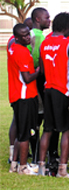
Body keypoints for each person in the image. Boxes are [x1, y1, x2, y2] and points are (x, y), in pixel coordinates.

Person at [37, 12, 69, 178]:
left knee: (47, 129)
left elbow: (43, 70)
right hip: (63, 90)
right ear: (67, 27)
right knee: (66, 130)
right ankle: (62, 170)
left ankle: (41, 167)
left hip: (48, 89)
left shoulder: (44, 44)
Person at [8, 24, 40, 175]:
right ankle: (23, 166)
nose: (28, 37)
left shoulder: (12, 47)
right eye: (24, 36)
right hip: (25, 96)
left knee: (20, 131)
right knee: (26, 133)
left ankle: (14, 164)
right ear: (17, 37)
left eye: (28, 34)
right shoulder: (22, 52)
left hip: (16, 95)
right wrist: (39, 70)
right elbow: (27, 78)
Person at [28, 7, 51, 164]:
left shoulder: (30, 34)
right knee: (38, 118)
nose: (49, 20)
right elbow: (38, 63)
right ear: (38, 19)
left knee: (34, 119)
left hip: (29, 82)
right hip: (37, 82)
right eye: (46, 17)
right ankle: (37, 154)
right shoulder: (38, 37)